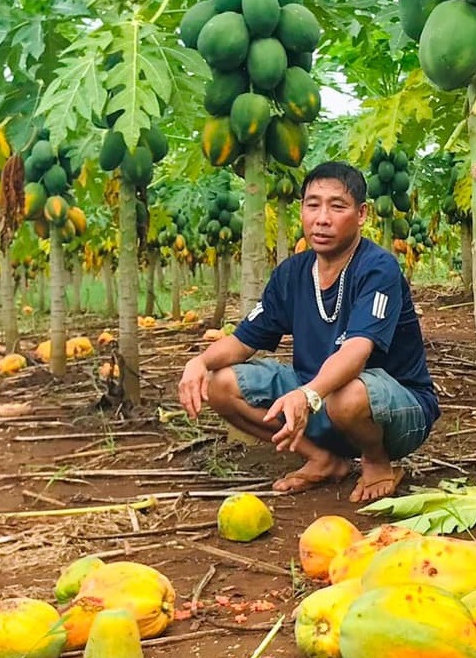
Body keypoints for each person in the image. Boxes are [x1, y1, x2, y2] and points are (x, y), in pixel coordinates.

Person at [178, 161, 439, 503]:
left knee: (347, 396)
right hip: (321, 401)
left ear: (362, 214)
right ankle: (322, 458)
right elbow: (243, 341)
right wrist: (199, 363)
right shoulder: (292, 273)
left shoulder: (378, 267)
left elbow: (356, 352)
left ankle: (376, 460)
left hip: (397, 411)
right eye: (313, 204)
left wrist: (308, 395)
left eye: (337, 206)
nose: (322, 218)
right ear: (301, 209)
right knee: (221, 384)